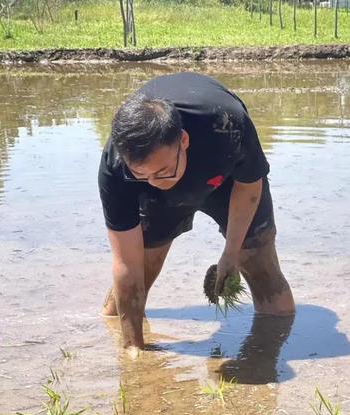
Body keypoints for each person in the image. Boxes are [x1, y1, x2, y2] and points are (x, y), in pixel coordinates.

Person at [98, 72, 295, 351]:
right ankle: (113, 337)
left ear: (184, 140)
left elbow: (249, 186)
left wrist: (231, 253)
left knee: (259, 261)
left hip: (224, 179)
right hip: (153, 197)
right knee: (143, 265)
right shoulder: (116, 168)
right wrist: (133, 354)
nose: (157, 181)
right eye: (144, 174)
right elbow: (126, 265)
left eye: (163, 171)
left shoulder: (227, 125)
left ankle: (269, 355)